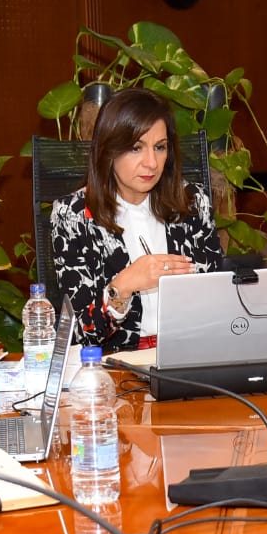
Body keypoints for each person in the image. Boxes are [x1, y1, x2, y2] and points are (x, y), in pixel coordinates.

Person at [51, 88, 224, 352]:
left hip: (188, 353)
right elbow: (81, 334)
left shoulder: (192, 202)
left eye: (160, 147)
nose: (151, 163)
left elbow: (217, 301)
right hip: (116, 362)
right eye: (136, 148)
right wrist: (124, 285)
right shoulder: (73, 215)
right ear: (109, 150)